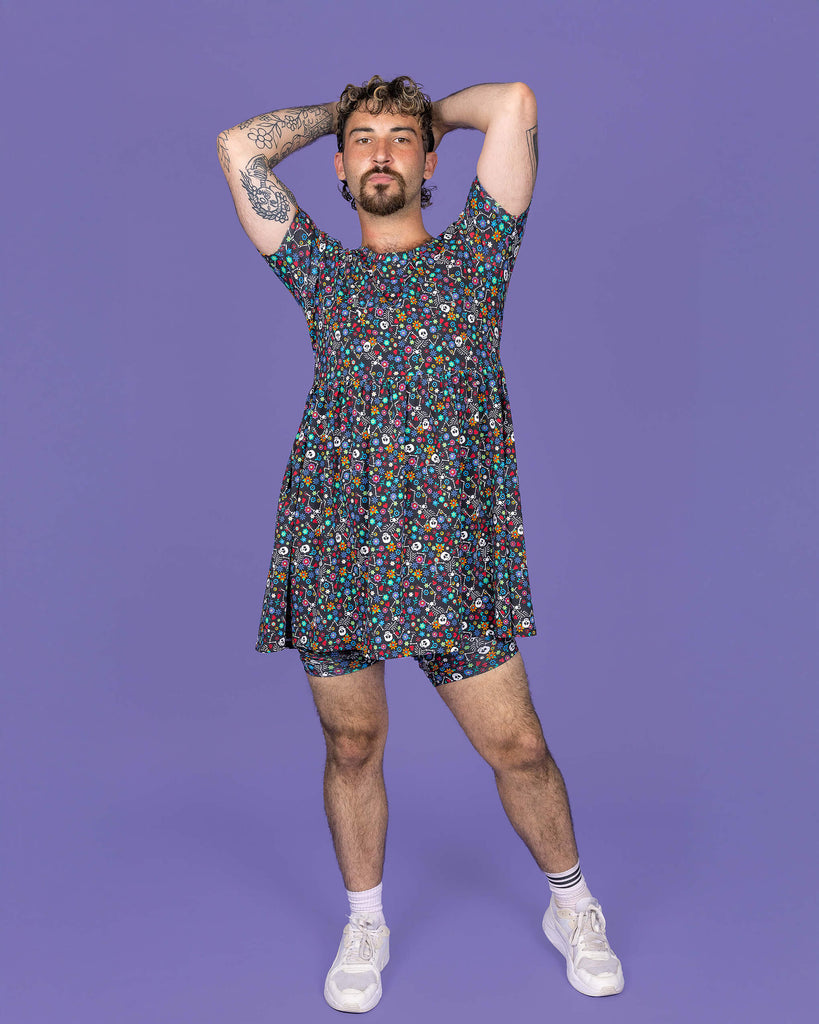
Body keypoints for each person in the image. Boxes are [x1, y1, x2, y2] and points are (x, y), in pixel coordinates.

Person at [217, 75, 624, 1012]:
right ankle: (366, 921)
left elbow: (519, 101)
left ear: (432, 160)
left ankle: (572, 903)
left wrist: (420, 110)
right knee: (352, 744)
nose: (382, 154)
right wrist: (345, 112)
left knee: (517, 746)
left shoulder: (479, 257)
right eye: (363, 143)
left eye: (403, 141)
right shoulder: (317, 269)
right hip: (337, 541)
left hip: (450, 551)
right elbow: (239, 147)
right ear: (339, 167)